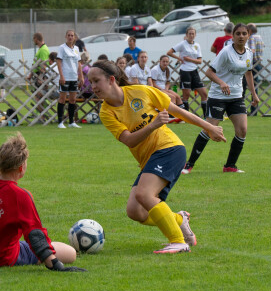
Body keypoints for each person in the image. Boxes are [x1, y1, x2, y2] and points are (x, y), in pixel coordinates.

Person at [87, 60, 226, 253]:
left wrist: (210, 127)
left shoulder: (141, 91)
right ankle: (179, 219)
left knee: (144, 195)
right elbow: (129, 140)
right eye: (90, 82)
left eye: (96, 81)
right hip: (151, 158)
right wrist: (152, 125)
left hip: (169, 148)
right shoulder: (106, 112)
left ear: (111, 80)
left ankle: (178, 241)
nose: (92, 87)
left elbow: (179, 112)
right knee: (135, 211)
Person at [0, 133, 86, 271]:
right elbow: (34, 234)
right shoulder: (21, 196)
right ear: (21, 167)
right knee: (70, 253)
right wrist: (55, 264)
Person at [182, 23, 260, 175]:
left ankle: (230, 166)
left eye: (244, 33)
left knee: (242, 130)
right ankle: (188, 165)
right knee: (209, 130)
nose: (241, 36)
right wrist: (222, 83)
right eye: (238, 34)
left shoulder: (249, 52)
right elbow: (209, 72)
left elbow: (248, 73)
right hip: (218, 96)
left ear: (248, 35)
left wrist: (254, 94)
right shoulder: (226, 52)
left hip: (236, 96)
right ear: (233, 36)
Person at [167, 27, 208, 117]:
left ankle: (206, 116)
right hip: (185, 71)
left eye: (193, 33)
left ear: (195, 35)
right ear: (186, 35)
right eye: (189, 33)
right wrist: (179, 58)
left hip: (194, 71)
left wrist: (189, 59)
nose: (191, 35)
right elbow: (169, 52)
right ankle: (186, 116)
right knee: (186, 95)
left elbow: (200, 61)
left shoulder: (197, 45)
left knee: (204, 93)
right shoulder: (182, 44)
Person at [56, 30, 84, 129]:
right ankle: (60, 122)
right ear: (65, 36)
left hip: (74, 77)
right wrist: (61, 76)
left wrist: (81, 76)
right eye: (69, 35)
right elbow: (59, 62)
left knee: (73, 99)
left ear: (74, 38)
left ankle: (71, 121)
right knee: (62, 99)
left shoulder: (76, 48)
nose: (70, 37)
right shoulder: (62, 48)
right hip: (65, 76)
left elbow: (79, 63)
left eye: (72, 35)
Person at [243, 23, 264, 116]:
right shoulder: (259, 37)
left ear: (250, 31)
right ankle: (254, 110)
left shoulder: (251, 38)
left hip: (252, 63)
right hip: (259, 63)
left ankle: (241, 109)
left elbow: (252, 50)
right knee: (254, 86)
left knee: (244, 85)